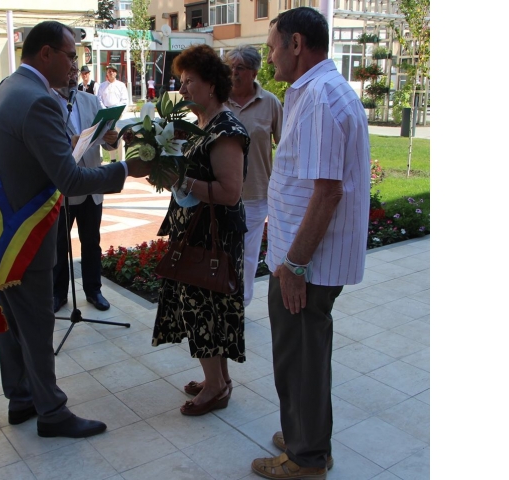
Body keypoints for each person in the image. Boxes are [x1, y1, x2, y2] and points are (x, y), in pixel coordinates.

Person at [0, 21, 149, 440]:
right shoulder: (39, 101)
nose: (75, 64)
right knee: (36, 326)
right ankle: (51, 412)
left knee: (14, 323)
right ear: (46, 53)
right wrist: (126, 169)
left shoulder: (8, 88)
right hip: (24, 233)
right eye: (70, 55)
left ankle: (21, 398)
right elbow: (69, 180)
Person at [250, 8, 370, 480]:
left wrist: (295, 265)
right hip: (302, 258)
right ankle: (306, 433)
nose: (269, 56)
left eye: (272, 46)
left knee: (300, 356)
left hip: (307, 265)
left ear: (296, 44)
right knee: (306, 354)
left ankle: (306, 457)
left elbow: (328, 192)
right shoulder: (316, 90)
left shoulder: (320, 96)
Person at [151, 44, 250, 417]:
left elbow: (229, 192)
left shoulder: (226, 129)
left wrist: (180, 179)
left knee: (204, 308)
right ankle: (218, 380)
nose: (182, 89)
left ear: (211, 84)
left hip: (213, 237)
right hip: (197, 231)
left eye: (189, 81)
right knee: (208, 307)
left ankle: (214, 387)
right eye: (181, 81)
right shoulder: (202, 124)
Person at [51, 62, 117, 312]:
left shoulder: (91, 100)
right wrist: (70, 142)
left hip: (91, 184)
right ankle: (58, 293)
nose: (71, 76)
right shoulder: (45, 102)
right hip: (64, 187)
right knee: (59, 244)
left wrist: (112, 138)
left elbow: (106, 140)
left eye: (74, 71)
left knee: (91, 241)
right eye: (67, 70)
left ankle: (93, 290)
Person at [224, 45, 283, 308]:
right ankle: (222, 298)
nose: (234, 73)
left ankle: (241, 302)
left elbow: (286, 146)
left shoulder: (270, 103)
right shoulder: (217, 101)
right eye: (230, 68)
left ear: (254, 72)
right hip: (220, 191)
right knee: (223, 250)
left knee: (247, 254)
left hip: (255, 193)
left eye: (240, 68)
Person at [97, 64, 128, 162]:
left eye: (112, 71)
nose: (110, 73)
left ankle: (122, 160)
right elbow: (99, 100)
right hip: (108, 114)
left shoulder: (121, 85)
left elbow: (124, 100)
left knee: (120, 137)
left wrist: (117, 111)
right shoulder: (102, 86)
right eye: (108, 71)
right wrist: (106, 110)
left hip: (119, 115)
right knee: (110, 136)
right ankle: (113, 159)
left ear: (115, 73)